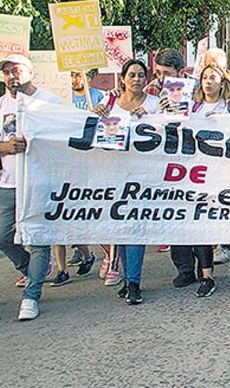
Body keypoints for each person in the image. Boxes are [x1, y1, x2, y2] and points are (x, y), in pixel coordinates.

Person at [0, 55, 65, 320]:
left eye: (15, 70)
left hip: (40, 183)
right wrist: (6, 147)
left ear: (31, 72)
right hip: (9, 184)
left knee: (38, 240)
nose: (10, 76)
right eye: (6, 72)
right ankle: (30, 268)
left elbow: (68, 134)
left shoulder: (49, 102)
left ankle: (31, 294)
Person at [93, 58, 161, 304]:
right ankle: (126, 278)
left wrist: (152, 119)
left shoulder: (154, 104)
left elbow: (171, 128)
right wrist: (94, 115)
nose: (136, 79)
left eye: (141, 75)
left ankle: (134, 282)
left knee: (134, 227)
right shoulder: (108, 103)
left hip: (143, 175)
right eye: (131, 74)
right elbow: (92, 131)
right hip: (113, 172)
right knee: (120, 228)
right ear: (122, 78)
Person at [184, 63, 230, 297]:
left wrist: (223, 124)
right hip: (199, 173)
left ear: (222, 82)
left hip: (226, 172)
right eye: (204, 77)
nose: (208, 81)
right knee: (201, 225)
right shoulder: (193, 107)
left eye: (213, 77)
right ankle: (207, 276)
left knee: (221, 222)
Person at [49, 71, 101, 287]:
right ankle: (62, 270)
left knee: (76, 218)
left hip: (88, 163)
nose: (74, 80)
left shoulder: (99, 96)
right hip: (63, 162)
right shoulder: (60, 98)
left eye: (78, 75)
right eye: (71, 75)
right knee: (58, 217)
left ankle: (88, 254)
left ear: (89, 77)